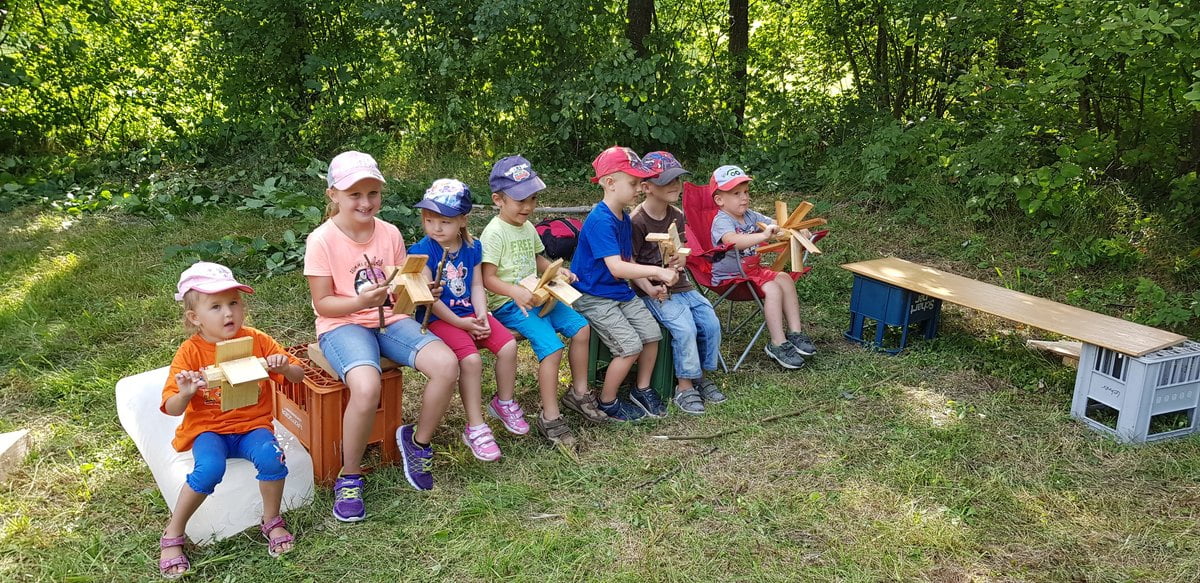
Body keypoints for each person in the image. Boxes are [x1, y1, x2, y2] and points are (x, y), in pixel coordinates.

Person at [304, 151, 459, 512]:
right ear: (333, 195)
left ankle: (417, 442)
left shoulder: (389, 232)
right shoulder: (322, 240)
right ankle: (350, 474)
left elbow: (402, 287)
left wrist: (423, 291)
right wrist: (360, 302)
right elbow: (324, 304)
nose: (365, 202)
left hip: (389, 318)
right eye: (354, 194)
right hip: (342, 325)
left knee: (446, 364)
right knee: (367, 385)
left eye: (372, 193)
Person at [158, 262, 305, 578]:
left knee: (272, 459)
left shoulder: (257, 340)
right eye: (216, 307)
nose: (229, 313)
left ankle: (271, 520)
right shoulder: (190, 353)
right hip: (208, 429)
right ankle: (173, 534)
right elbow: (171, 407)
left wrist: (283, 367)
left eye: (234, 303)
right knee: (210, 469)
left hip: (253, 426)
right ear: (195, 318)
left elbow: (298, 374)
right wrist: (185, 393)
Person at [480, 155, 602, 445]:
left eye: (532, 199)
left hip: (539, 294)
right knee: (552, 348)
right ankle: (550, 416)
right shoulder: (495, 233)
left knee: (582, 328)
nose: (528, 207)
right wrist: (515, 292)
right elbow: (487, 278)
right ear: (498, 199)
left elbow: (536, 257)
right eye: (520, 200)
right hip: (510, 305)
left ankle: (579, 393)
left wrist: (557, 273)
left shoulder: (527, 227)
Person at [408, 178, 524, 461]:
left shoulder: (473, 247)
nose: (436, 228)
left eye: (444, 221)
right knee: (470, 361)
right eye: (429, 220)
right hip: (439, 320)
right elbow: (429, 300)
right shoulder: (422, 251)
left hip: (470, 313)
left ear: (462, 220)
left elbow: (475, 286)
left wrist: (482, 312)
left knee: (508, 345)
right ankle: (475, 426)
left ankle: (503, 402)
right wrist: (461, 324)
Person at [570, 146, 679, 421]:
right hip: (594, 295)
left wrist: (648, 286)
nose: (640, 188)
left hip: (619, 291)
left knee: (652, 334)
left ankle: (641, 389)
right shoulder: (600, 221)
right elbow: (616, 266)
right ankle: (607, 400)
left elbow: (627, 261)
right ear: (610, 183)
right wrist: (657, 271)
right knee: (630, 346)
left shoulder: (624, 219)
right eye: (633, 183)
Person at [630, 151, 726, 414]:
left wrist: (680, 261)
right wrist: (649, 287)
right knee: (684, 328)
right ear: (646, 187)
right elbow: (630, 265)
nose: (675, 185)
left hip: (681, 285)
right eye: (667, 181)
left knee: (709, 321)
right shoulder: (637, 221)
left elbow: (680, 249)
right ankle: (684, 387)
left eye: (678, 179)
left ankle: (699, 377)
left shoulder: (677, 215)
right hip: (656, 291)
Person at [709, 164, 816, 369]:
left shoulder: (751, 216)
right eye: (736, 193)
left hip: (752, 272)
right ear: (719, 200)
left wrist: (798, 232)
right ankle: (777, 343)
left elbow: (779, 225)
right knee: (773, 288)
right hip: (731, 278)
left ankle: (795, 333)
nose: (744, 197)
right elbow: (732, 240)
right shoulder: (721, 221)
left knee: (784, 278)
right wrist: (763, 235)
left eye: (746, 192)